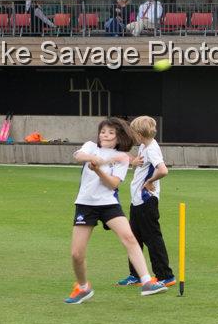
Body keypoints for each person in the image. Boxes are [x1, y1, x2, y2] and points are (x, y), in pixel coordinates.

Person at [65, 117, 167, 303]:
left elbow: (112, 185)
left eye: (111, 133)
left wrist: (99, 170)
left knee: (129, 238)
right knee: (76, 254)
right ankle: (83, 287)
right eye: (103, 131)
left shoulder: (122, 158)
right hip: (85, 204)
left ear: (118, 137)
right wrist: (93, 158)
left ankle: (147, 281)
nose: (106, 135)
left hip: (108, 204)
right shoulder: (90, 146)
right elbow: (78, 155)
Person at [117, 116, 175, 287]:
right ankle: (135, 274)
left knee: (152, 238)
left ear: (139, 134)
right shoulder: (144, 145)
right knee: (134, 237)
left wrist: (149, 181)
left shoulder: (151, 149)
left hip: (146, 201)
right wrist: (134, 161)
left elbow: (163, 170)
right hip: (137, 201)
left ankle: (165, 275)